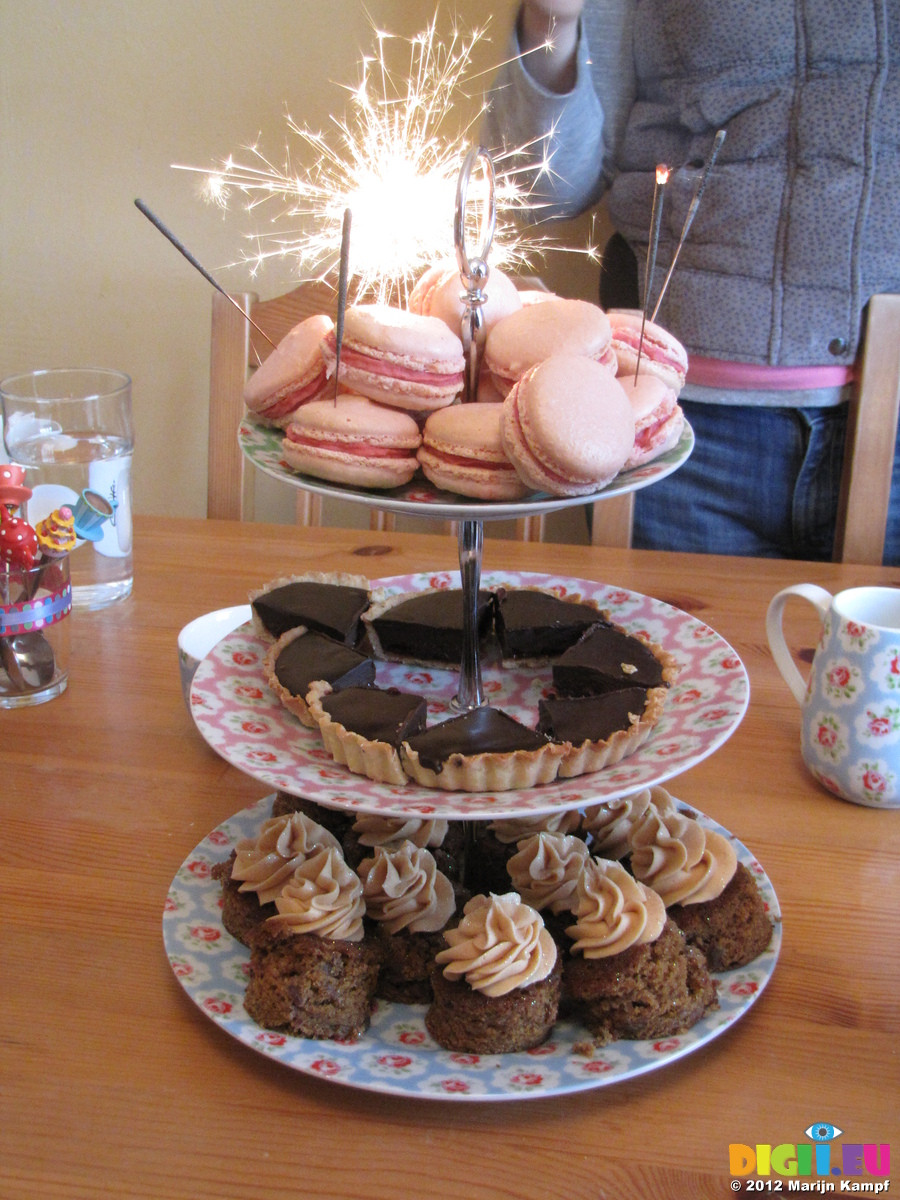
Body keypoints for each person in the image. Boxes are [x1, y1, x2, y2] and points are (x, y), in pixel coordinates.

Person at [484, 0, 900, 562]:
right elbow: (542, 191)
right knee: (657, 651)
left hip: (890, 421)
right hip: (672, 424)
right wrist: (550, 21)